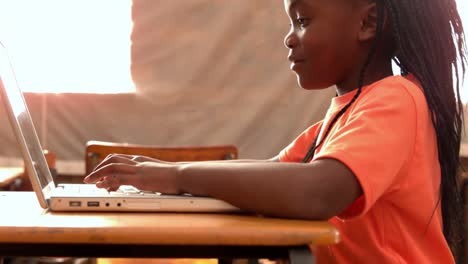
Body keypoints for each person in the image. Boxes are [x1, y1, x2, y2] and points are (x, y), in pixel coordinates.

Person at [84, 0, 466, 262]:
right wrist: (161, 172)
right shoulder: (341, 117)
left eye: (303, 20)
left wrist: (174, 174)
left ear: (366, 23)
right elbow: (270, 173)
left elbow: (317, 192)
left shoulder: (397, 99)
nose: (289, 37)